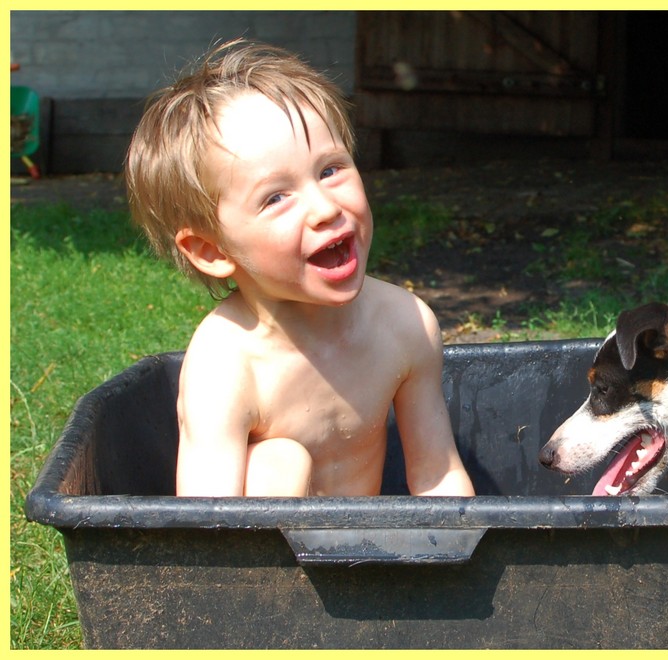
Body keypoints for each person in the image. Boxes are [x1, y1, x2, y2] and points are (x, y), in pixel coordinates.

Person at [125, 40, 475, 498]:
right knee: (278, 461)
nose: (324, 207)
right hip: (259, 563)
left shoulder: (404, 323)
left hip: (363, 555)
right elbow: (203, 529)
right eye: (275, 197)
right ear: (211, 250)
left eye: (330, 169)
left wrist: (462, 560)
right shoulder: (227, 363)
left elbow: (437, 476)